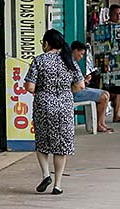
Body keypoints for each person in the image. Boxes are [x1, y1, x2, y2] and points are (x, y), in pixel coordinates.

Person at [25, 29, 85, 195]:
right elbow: (81, 86)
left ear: (46, 43)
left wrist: (42, 90)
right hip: (65, 105)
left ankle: (45, 174)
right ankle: (57, 185)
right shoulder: (69, 60)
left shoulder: (39, 60)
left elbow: (30, 86)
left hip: (43, 105)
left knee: (43, 141)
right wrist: (66, 91)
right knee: (61, 146)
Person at [70, 41, 114, 133]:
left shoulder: (73, 63)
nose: (81, 57)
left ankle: (102, 123)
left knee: (106, 94)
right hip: (75, 93)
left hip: (81, 89)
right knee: (103, 97)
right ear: (75, 51)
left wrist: (85, 80)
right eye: (81, 54)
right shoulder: (69, 63)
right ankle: (97, 124)